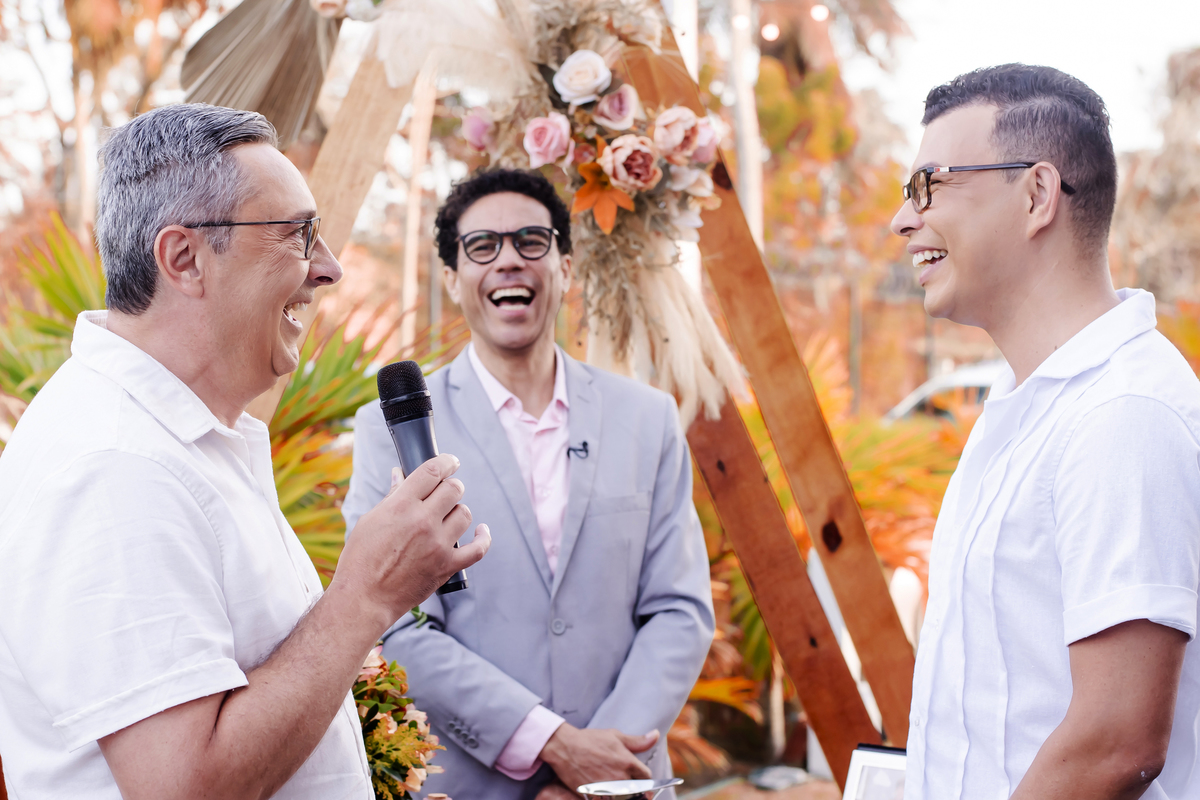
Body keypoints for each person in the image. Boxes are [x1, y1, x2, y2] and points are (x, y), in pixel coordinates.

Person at [0, 104, 490, 799]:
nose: (331, 269)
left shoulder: (173, 440)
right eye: (298, 235)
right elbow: (182, 787)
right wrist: (366, 595)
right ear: (184, 259)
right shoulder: (113, 468)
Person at [344, 168, 715, 799]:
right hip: (466, 785)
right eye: (482, 246)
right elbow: (396, 625)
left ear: (566, 268)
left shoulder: (647, 419)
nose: (509, 260)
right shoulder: (392, 431)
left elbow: (679, 610)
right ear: (452, 278)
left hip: (621, 786)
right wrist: (553, 745)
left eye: (532, 242)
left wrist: (595, 772)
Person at [891, 64, 1200, 800]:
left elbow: (1117, 739)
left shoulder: (1122, 415)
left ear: (1036, 195)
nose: (901, 220)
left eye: (927, 185)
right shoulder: (1027, 402)